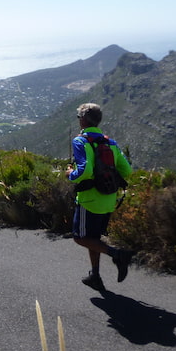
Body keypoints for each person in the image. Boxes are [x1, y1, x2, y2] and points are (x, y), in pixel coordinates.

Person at [66, 103, 133, 291]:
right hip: (109, 199)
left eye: (79, 116)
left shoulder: (80, 141)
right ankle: (95, 276)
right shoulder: (110, 142)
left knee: (80, 237)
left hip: (89, 200)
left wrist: (70, 173)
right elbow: (127, 171)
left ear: (83, 119)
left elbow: (84, 171)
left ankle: (117, 254)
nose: (78, 120)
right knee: (93, 238)